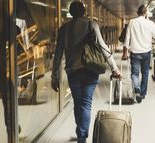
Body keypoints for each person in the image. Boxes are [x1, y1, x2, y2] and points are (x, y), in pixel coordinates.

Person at [51, 1, 120, 143]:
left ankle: (81, 132)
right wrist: (114, 67)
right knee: (86, 104)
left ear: (70, 13)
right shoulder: (91, 25)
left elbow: (58, 54)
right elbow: (103, 47)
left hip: (73, 71)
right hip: (90, 69)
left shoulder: (63, 29)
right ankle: (82, 136)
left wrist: (54, 75)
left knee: (78, 103)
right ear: (84, 12)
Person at [121, 4, 155, 103]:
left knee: (134, 74)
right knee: (145, 73)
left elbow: (127, 39)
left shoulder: (132, 22)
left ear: (137, 13)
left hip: (135, 52)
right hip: (146, 52)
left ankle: (137, 89)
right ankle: (142, 94)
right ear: (146, 13)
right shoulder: (150, 23)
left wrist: (124, 53)